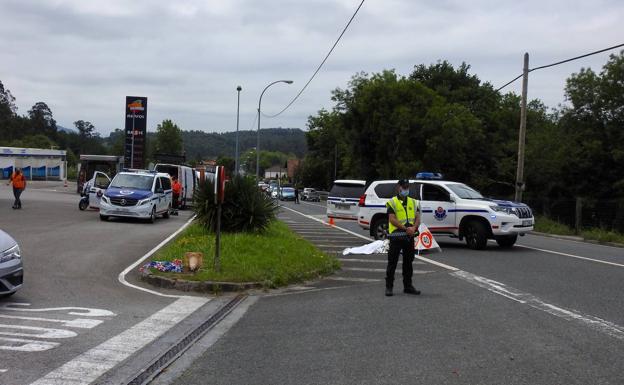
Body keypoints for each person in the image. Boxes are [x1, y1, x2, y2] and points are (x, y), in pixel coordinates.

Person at [385, 179, 421, 296]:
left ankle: (408, 286)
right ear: (398, 187)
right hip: (396, 236)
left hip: (409, 236)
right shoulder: (392, 202)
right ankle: (389, 287)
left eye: (407, 187)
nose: (406, 189)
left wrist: (414, 228)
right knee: (392, 262)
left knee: (408, 262)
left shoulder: (414, 202)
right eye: (403, 187)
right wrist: (406, 229)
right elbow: (392, 219)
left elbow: (417, 217)